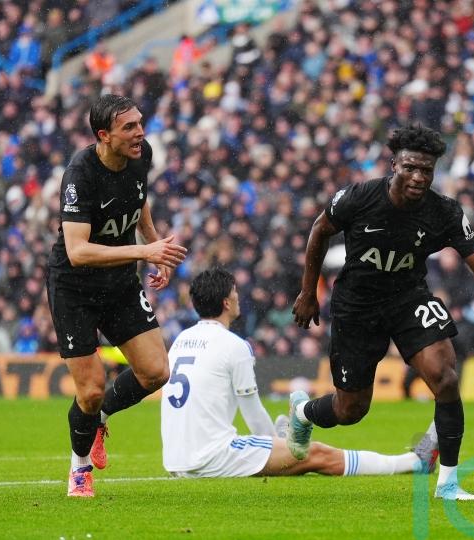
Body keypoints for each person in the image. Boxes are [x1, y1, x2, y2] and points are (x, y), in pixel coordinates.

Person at [290, 124, 474, 500]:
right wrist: (307, 292)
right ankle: (303, 413)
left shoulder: (444, 211)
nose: (418, 177)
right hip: (357, 305)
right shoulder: (360, 196)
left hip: (408, 298)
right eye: (410, 168)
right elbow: (320, 230)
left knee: (445, 378)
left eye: (426, 170)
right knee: (350, 410)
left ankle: (448, 482)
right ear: (394, 165)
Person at [161, 266, 433, 479]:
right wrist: (280, 446)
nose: (237, 296)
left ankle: (288, 438)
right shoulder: (233, 345)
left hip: (176, 459)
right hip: (210, 458)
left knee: (300, 451)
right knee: (315, 454)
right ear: (226, 303)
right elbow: (252, 412)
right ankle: (413, 463)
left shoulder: (181, 341)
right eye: (234, 292)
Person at [46, 94, 188, 497]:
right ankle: (79, 468)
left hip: (120, 283)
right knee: (90, 390)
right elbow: (78, 251)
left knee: (157, 371)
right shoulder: (80, 175)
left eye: (140, 123)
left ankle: (100, 420)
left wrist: (157, 246)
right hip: (74, 288)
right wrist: (145, 252)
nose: (140, 132)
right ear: (104, 135)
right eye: (129, 127)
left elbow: (138, 204)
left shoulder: (141, 156)